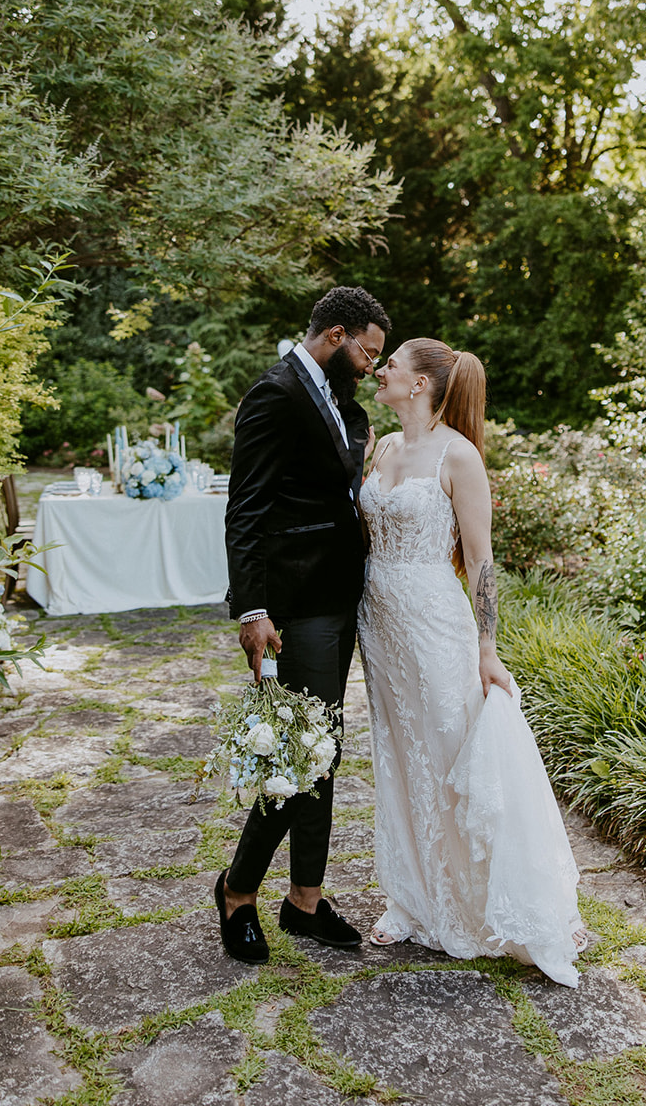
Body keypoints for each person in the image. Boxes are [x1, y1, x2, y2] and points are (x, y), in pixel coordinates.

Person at [358, 338, 585, 986]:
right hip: (380, 627)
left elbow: (481, 563)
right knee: (399, 756)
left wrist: (486, 647)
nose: (382, 370)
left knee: (451, 757)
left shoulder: (458, 456)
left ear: (422, 384)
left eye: (393, 364)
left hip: (434, 624)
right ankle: (411, 897)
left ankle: (486, 899)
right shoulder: (384, 448)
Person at [215, 285, 391, 964]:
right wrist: (253, 609)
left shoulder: (334, 396)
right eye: (368, 353)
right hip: (300, 599)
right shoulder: (275, 392)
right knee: (303, 753)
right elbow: (246, 508)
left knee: (326, 750)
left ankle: (305, 902)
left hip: (342, 595)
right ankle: (236, 893)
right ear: (336, 334)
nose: (374, 368)